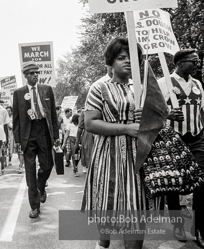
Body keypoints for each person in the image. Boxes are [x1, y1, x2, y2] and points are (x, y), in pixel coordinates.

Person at [81, 38, 145, 249]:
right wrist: (126, 128)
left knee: (135, 209)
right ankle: (103, 243)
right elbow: (90, 123)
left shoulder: (141, 88)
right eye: (121, 58)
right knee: (108, 204)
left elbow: (153, 121)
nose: (127, 62)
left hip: (138, 158)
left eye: (132, 58)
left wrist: (150, 117)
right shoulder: (99, 88)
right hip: (109, 158)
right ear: (111, 62)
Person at [157, 49, 204, 247]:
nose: (197, 64)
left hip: (196, 137)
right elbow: (151, 109)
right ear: (180, 63)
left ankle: (199, 226)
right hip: (173, 139)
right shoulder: (163, 83)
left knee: (201, 181)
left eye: (198, 60)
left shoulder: (198, 84)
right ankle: (177, 223)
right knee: (174, 182)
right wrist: (168, 115)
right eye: (193, 61)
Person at [13, 61, 59, 218]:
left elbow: (53, 114)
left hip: (44, 132)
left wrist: (56, 136)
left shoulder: (47, 90)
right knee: (30, 171)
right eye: (31, 73)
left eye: (36, 73)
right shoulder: (19, 93)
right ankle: (34, 206)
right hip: (28, 135)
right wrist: (17, 140)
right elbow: (17, 119)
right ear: (25, 76)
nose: (35, 75)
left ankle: (41, 185)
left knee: (47, 165)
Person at [6, 106, 25, 174]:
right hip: (12, 136)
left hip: (21, 136)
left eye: (9, 111)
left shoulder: (20, 117)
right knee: (17, 151)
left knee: (21, 152)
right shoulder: (10, 118)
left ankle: (21, 165)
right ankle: (20, 164)